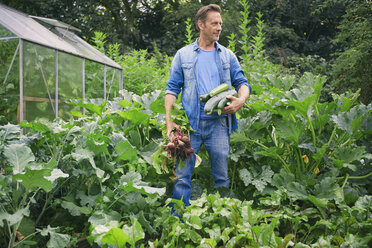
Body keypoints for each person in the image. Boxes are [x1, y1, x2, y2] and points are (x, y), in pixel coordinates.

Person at [165, 4, 252, 208]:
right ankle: (178, 222)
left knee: (221, 177)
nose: (219, 27)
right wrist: (170, 123)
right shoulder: (183, 55)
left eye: (220, 23)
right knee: (182, 178)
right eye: (215, 23)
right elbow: (171, 90)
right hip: (190, 127)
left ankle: (223, 220)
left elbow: (242, 83)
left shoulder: (227, 55)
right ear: (201, 25)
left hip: (219, 125)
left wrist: (241, 100)